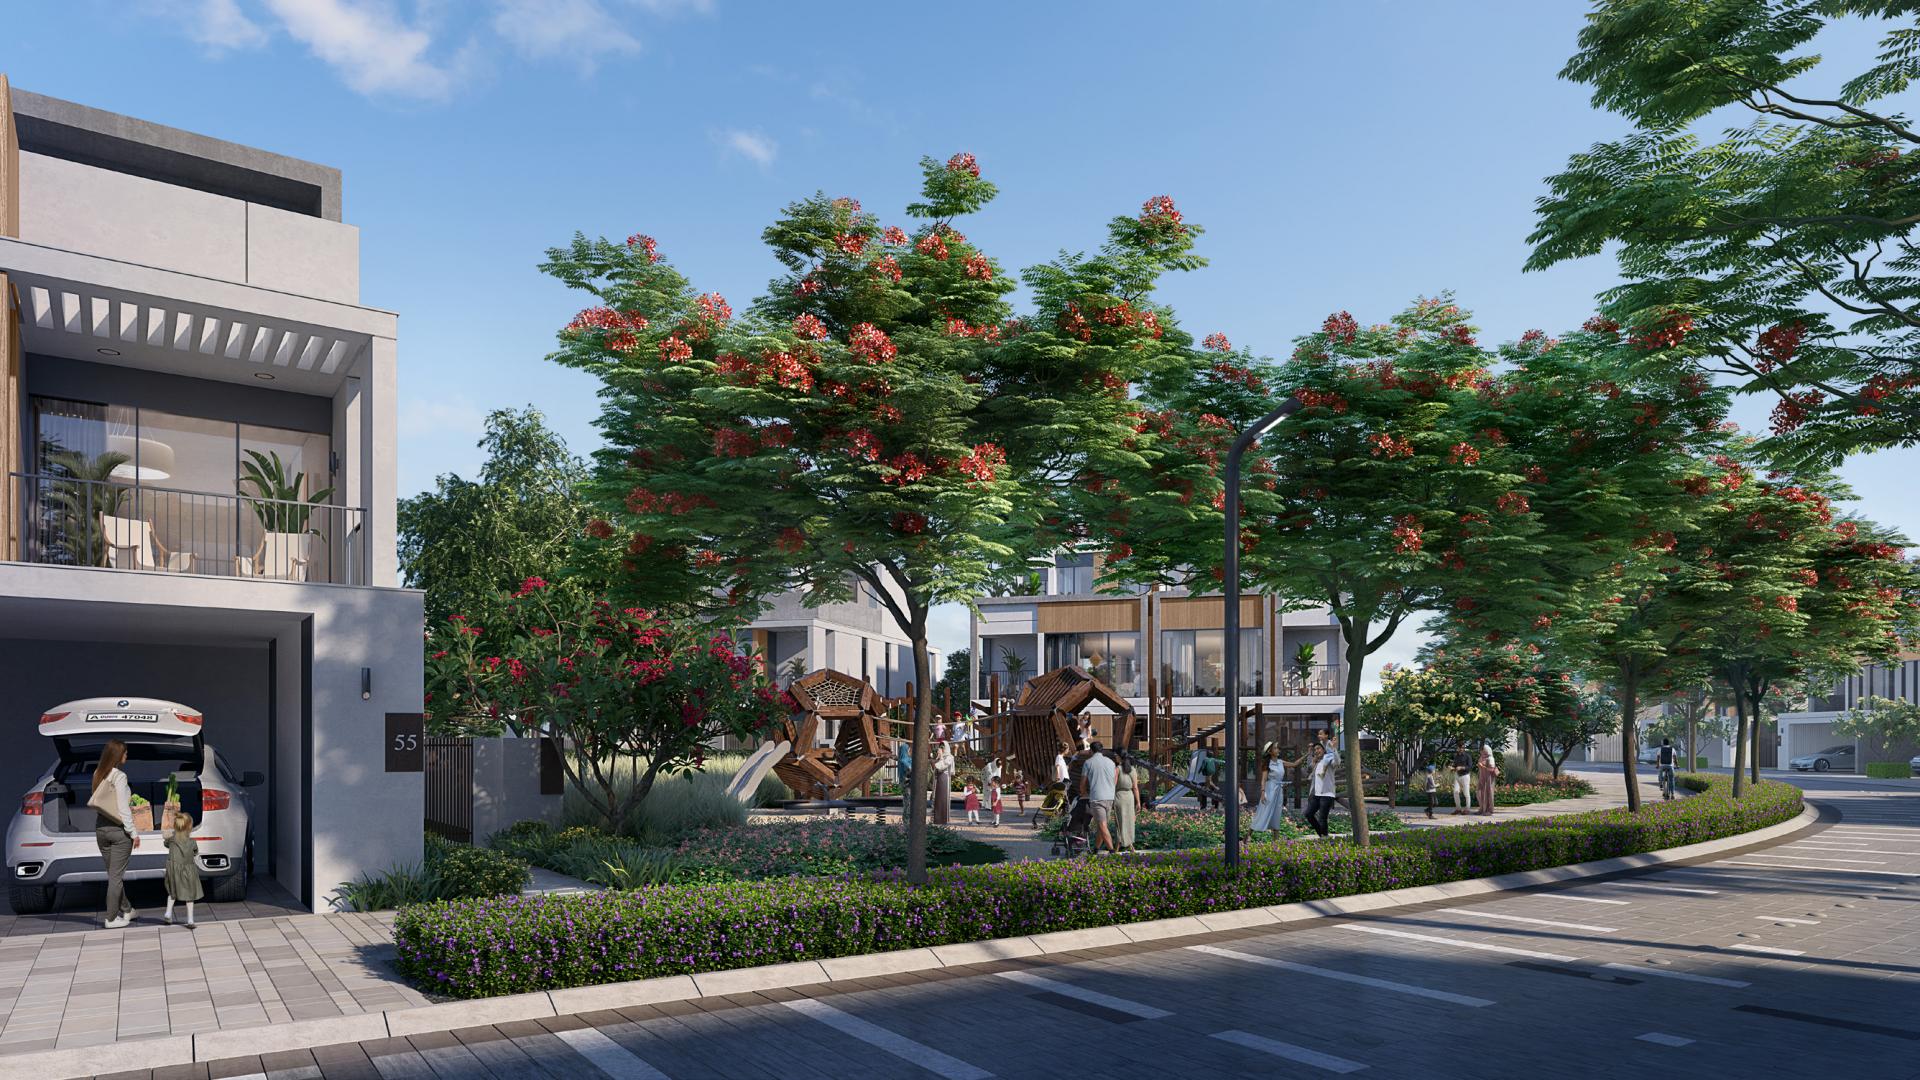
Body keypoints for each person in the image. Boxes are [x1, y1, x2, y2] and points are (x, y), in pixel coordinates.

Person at [86, 738, 139, 928]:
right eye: (125, 752)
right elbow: (124, 808)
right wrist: (133, 833)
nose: (127, 755)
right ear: (117, 755)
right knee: (116, 877)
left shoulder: (97, 773)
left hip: (101, 830)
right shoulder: (119, 776)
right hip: (118, 832)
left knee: (113, 874)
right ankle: (110, 918)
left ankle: (127, 909)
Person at [161, 806, 202, 927]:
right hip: (188, 870)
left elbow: (165, 843)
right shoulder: (192, 842)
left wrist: (168, 834)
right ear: (189, 827)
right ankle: (190, 920)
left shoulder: (172, 840)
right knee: (189, 896)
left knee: (172, 893)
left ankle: (168, 913)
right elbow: (195, 852)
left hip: (173, 870)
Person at [1079, 742, 1120, 854]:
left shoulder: (1088, 763)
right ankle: (1096, 849)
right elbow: (1114, 779)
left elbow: (1082, 783)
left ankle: (1112, 852)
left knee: (1102, 825)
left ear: (1091, 751)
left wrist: (1084, 793)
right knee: (1102, 825)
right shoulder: (1111, 762)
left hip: (1097, 798)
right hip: (1109, 797)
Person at [1249, 742, 1290, 834]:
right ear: (1270, 752)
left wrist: (1307, 754)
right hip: (1270, 789)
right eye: (1275, 748)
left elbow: (1295, 764)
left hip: (1279, 790)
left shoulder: (1281, 762)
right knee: (1263, 812)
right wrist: (1263, 793)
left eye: (1277, 748)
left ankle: (1275, 843)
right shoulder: (1268, 764)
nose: (1278, 750)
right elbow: (1263, 780)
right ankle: (1248, 835)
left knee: (1277, 813)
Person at [1303, 743, 1338, 837]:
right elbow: (1308, 769)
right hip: (1316, 794)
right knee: (1308, 814)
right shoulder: (1317, 763)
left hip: (1327, 794)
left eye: (1318, 749)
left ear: (1324, 750)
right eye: (1315, 750)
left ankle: (1324, 838)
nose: (1316, 751)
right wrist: (1311, 756)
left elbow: (1337, 762)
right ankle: (1323, 835)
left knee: (1322, 818)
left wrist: (1334, 749)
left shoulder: (1329, 761)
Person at [1113, 753, 1141, 851]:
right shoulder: (1133, 769)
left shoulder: (1117, 769)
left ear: (1120, 757)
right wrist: (1138, 802)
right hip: (1130, 796)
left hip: (1119, 795)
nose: (1115, 757)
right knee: (1129, 821)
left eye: (1116, 755)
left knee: (1119, 821)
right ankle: (1130, 844)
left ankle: (1119, 843)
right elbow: (1135, 787)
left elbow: (1113, 784)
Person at [931, 742, 954, 825]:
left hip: (944, 779)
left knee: (943, 798)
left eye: (943, 747)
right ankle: (936, 819)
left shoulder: (949, 757)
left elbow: (942, 766)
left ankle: (943, 819)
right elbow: (934, 767)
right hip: (938, 779)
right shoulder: (940, 756)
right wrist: (938, 757)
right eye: (940, 747)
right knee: (937, 798)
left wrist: (940, 757)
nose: (941, 749)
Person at [1186, 744, 1214, 810]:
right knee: (1205, 789)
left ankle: (1205, 805)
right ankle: (1204, 805)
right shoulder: (1208, 760)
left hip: (1205, 778)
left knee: (1207, 788)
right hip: (1205, 778)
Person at [1476, 742, 1499, 817]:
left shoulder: (1490, 758)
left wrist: (1482, 766)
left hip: (1489, 778)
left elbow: (1492, 769)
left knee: (1488, 793)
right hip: (1482, 777)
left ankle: (1489, 809)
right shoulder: (1481, 757)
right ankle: (1482, 808)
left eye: (1483, 750)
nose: (1481, 751)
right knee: (1479, 792)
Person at [1450, 745, 1475, 815]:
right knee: (1455, 792)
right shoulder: (1456, 756)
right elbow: (1455, 765)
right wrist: (1452, 767)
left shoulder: (1468, 756)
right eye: (1458, 747)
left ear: (1463, 748)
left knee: (1466, 793)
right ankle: (1458, 809)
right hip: (1457, 775)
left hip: (1465, 776)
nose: (1459, 749)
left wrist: (1462, 767)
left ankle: (1467, 809)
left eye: (1460, 748)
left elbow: (1470, 767)